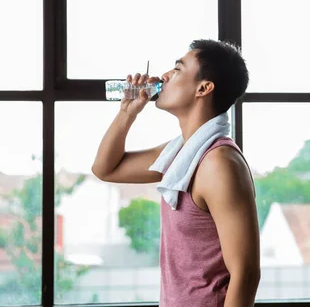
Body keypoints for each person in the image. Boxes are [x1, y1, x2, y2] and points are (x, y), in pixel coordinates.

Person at [92, 39, 260, 307]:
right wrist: (127, 112)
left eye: (178, 69)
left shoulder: (219, 163)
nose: (165, 76)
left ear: (203, 88)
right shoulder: (180, 154)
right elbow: (105, 169)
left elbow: (246, 274)